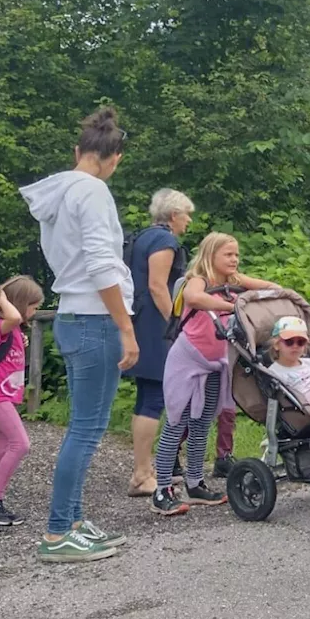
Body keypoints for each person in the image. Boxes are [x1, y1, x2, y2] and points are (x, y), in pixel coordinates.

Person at [21, 106, 136, 562]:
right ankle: (56, 533)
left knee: (83, 428)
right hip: (96, 319)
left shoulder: (60, 192)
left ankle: (71, 520)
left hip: (73, 315)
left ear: (78, 150)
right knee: (87, 431)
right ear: (115, 158)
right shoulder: (92, 192)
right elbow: (100, 263)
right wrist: (127, 328)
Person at [151, 232, 278, 517]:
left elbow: (270, 287)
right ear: (211, 256)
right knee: (175, 423)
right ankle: (161, 490)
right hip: (188, 361)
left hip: (216, 363)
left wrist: (270, 295)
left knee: (202, 422)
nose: (234, 259)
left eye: (236, 254)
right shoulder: (200, 279)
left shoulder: (234, 282)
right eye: (228, 255)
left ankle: (195, 483)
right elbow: (194, 298)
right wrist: (233, 306)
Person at [125, 188, 194, 497]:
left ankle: (145, 468)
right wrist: (175, 323)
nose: (189, 220)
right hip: (155, 325)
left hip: (140, 320)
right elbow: (157, 285)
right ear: (174, 215)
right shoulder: (165, 241)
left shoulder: (142, 237)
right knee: (154, 397)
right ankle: (141, 474)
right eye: (187, 214)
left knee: (146, 397)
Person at [0, 276, 44, 528]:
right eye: (32, 307)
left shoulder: (12, 329)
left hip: (2, 396)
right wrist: (2, 298)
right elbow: (13, 318)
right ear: (19, 303)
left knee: (2, 450)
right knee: (21, 444)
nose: (34, 313)